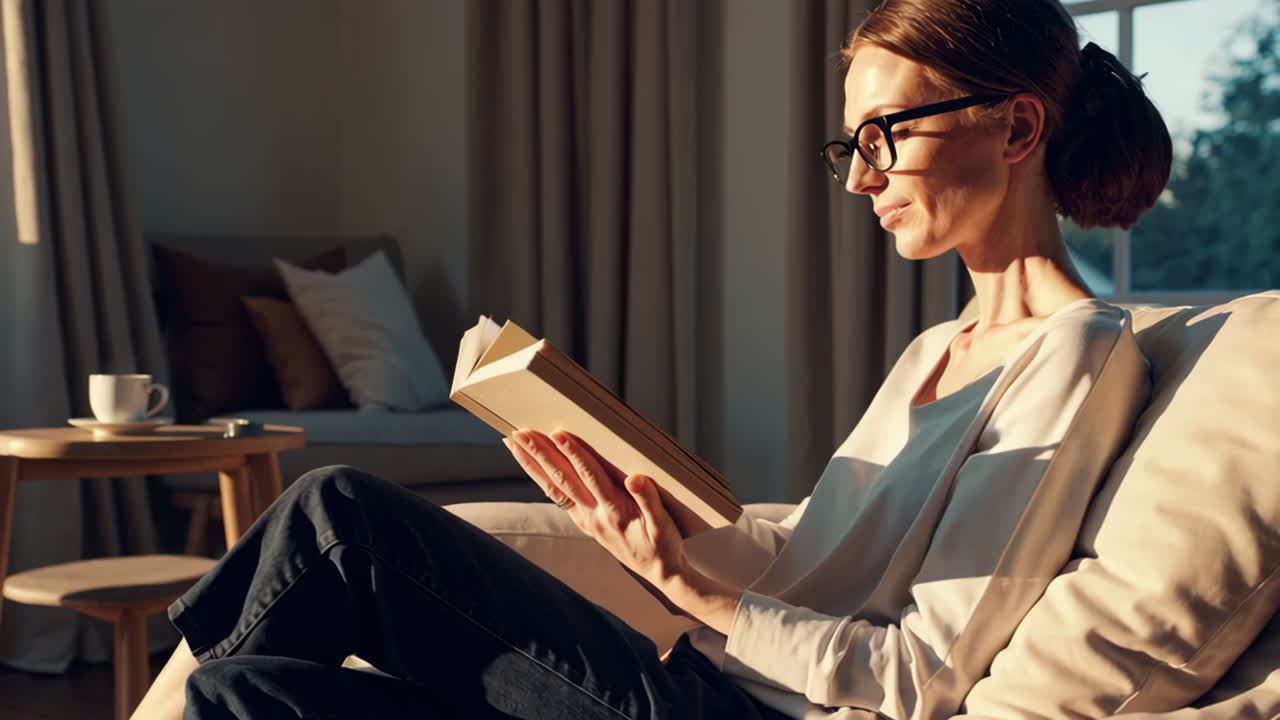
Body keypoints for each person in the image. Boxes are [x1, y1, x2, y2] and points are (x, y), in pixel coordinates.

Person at [131, 0, 1170, 718]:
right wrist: (656, 529)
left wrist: (688, 589)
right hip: (697, 682)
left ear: (1016, 127)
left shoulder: (1075, 354)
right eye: (849, 146)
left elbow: (917, 677)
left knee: (338, 516)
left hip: (743, 714)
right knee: (241, 692)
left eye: (883, 135)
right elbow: (811, 573)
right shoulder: (937, 348)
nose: (861, 179)